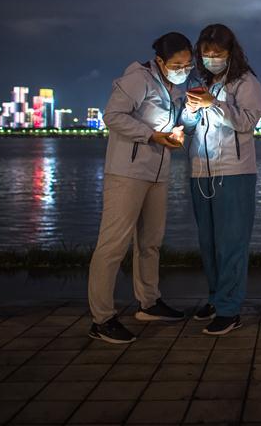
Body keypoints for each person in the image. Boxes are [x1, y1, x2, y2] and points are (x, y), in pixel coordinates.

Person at [87, 32, 193, 344]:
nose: (183, 69)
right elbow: (112, 116)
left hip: (157, 172)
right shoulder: (137, 79)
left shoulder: (174, 85)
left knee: (151, 242)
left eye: (187, 64)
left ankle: (148, 302)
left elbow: (168, 124)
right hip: (127, 173)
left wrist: (174, 134)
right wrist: (150, 136)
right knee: (113, 245)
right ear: (160, 61)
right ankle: (101, 318)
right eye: (177, 64)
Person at [181, 23, 261, 336]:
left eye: (217, 53)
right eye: (206, 53)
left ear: (231, 53)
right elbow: (189, 126)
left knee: (231, 242)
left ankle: (230, 309)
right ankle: (216, 298)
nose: (211, 58)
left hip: (234, 171)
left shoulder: (246, 82)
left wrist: (213, 105)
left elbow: (247, 121)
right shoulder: (203, 81)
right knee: (209, 242)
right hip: (201, 169)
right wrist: (191, 110)